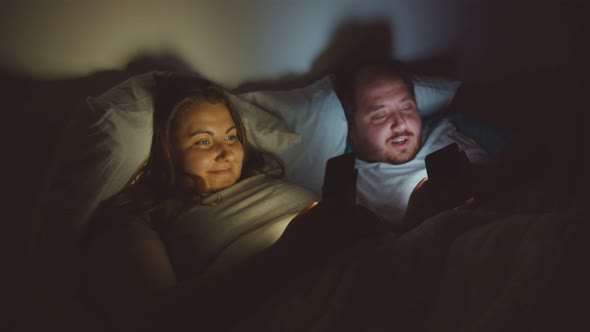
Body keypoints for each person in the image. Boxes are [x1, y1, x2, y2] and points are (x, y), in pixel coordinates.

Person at [82, 75, 318, 331]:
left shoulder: (262, 177)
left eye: (231, 137)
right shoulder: (140, 218)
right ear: (166, 150)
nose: (227, 153)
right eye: (203, 142)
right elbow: (159, 318)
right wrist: (291, 253)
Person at [335, 61, 490, 228]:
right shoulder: (350, 188)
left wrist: (487, 180)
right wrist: (416, 219)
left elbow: (519, 161)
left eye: (406, 108)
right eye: (380, 115)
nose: (400, 124)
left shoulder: (455, 124)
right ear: (352, 128)